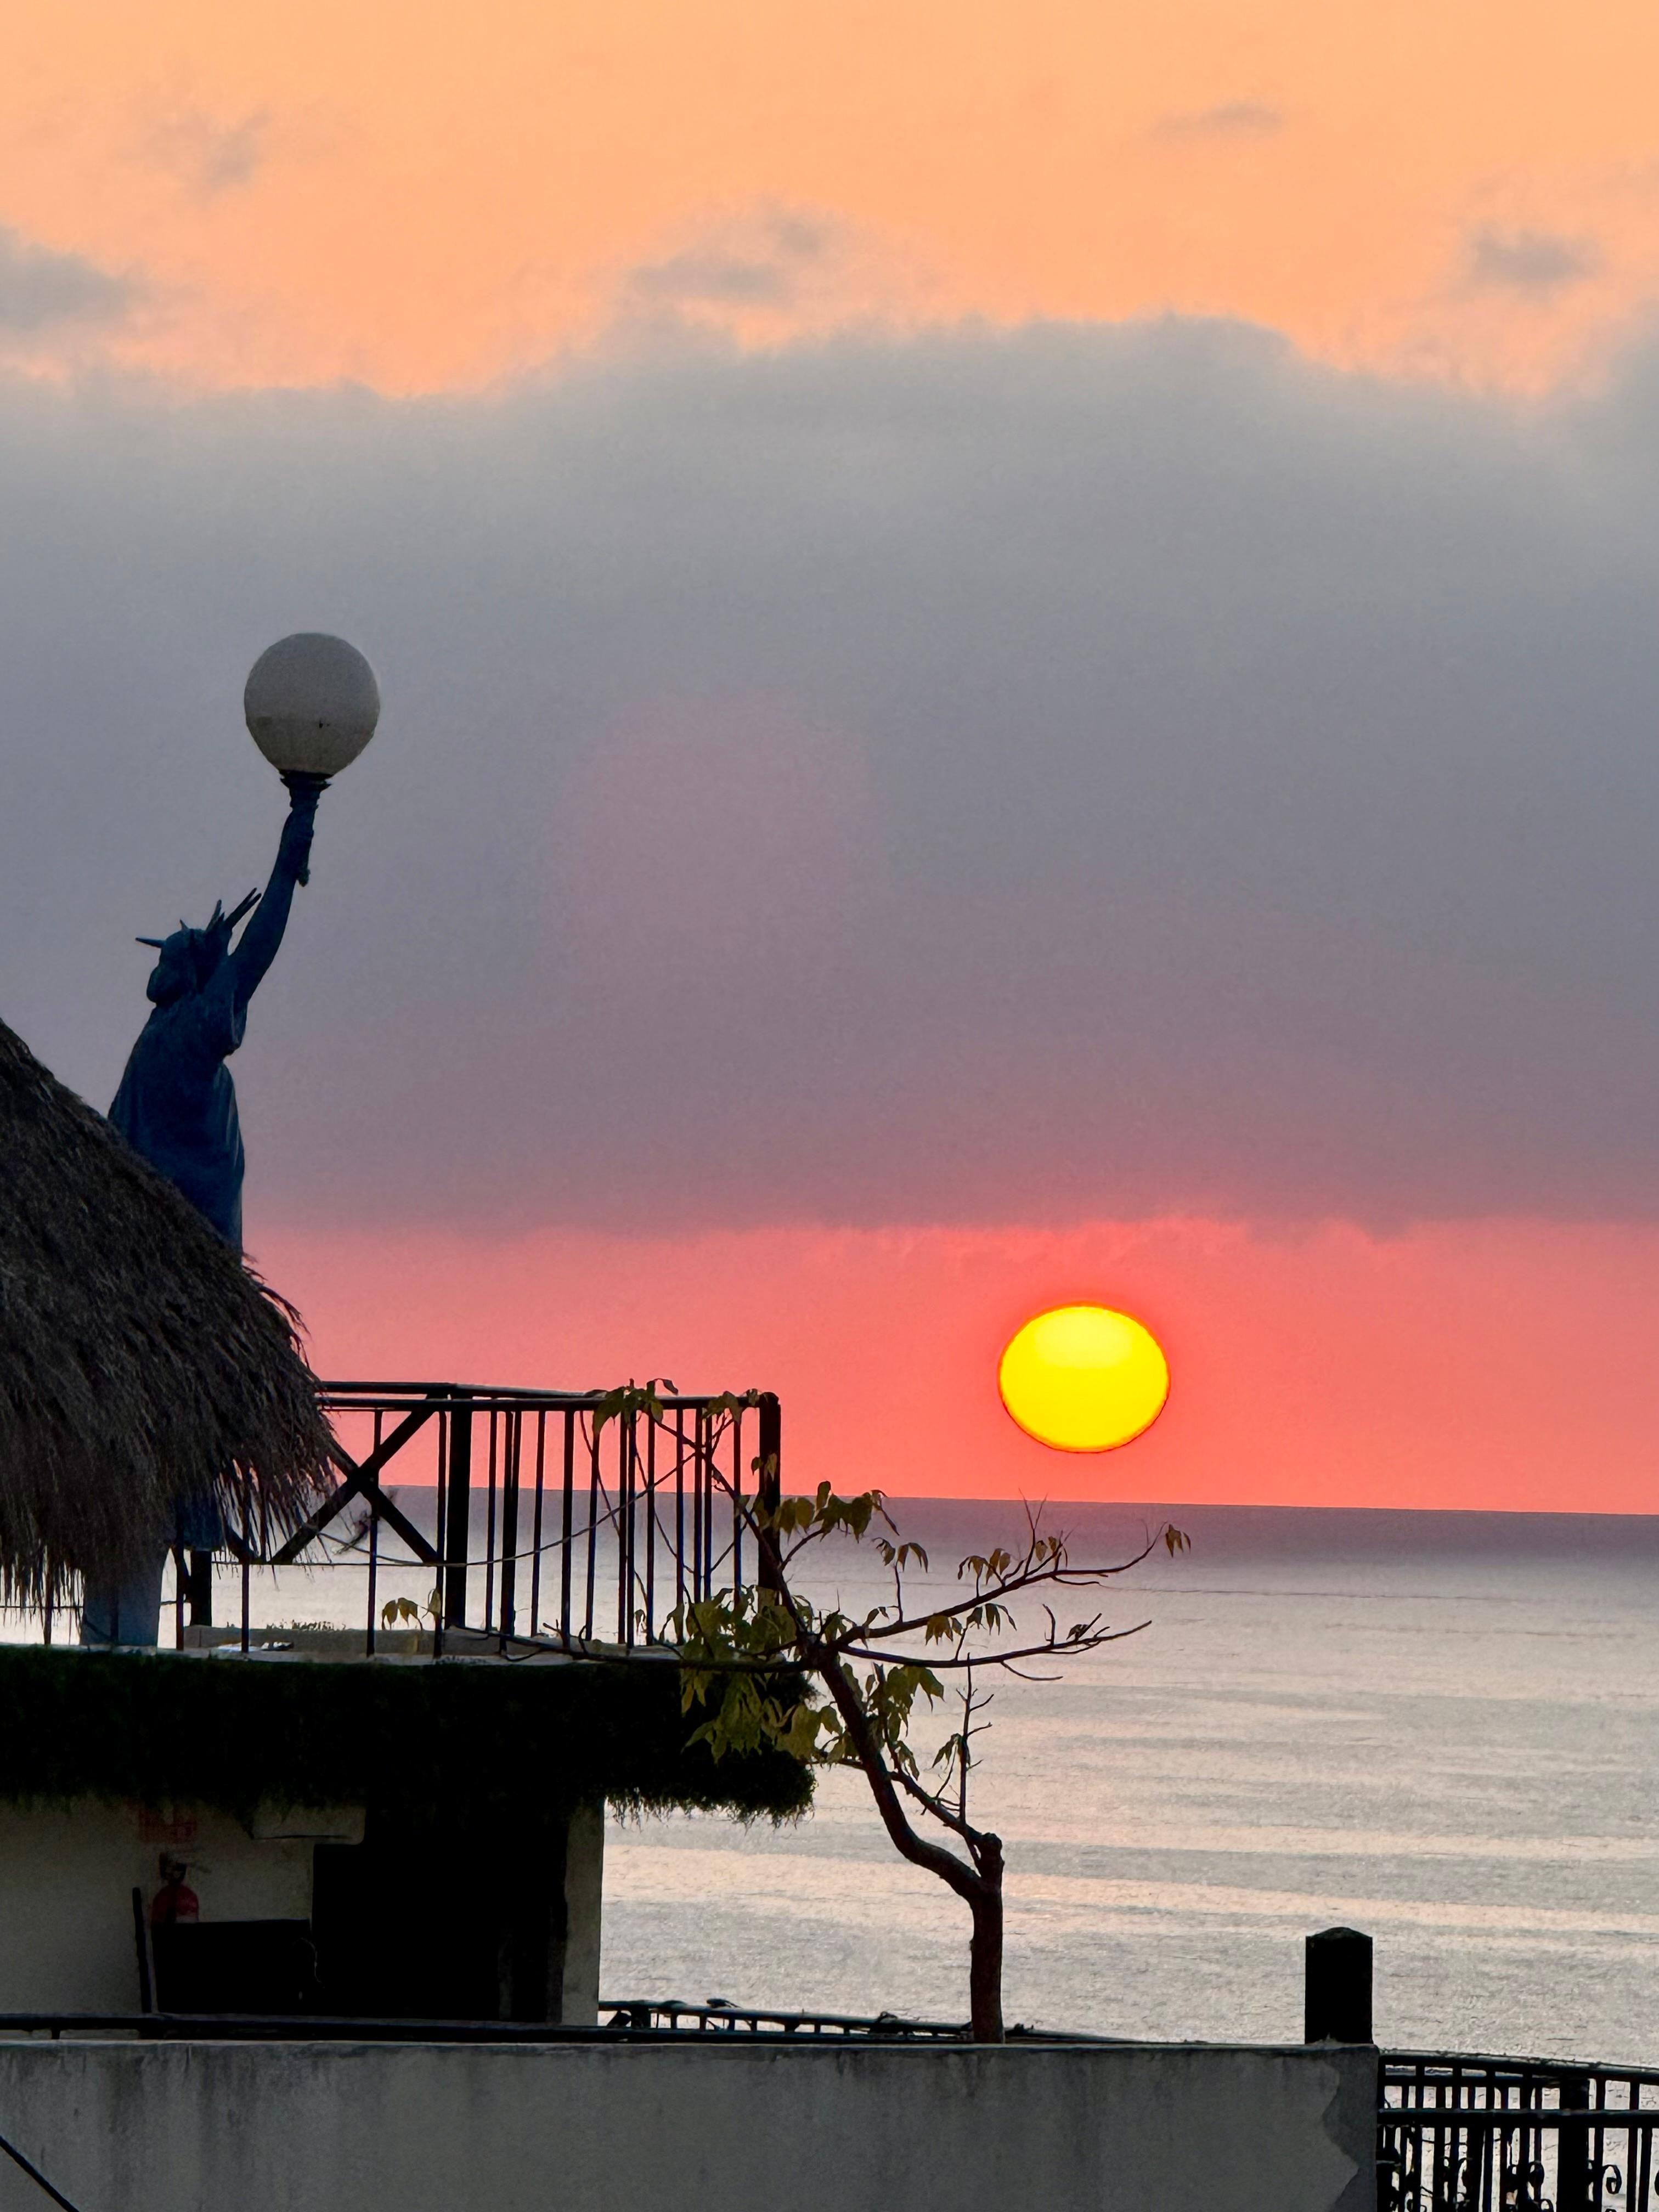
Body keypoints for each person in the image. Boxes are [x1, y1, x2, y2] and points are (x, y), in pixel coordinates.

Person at [84, 777, 323, 1644]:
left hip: (151, 1275)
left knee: (142, 1480)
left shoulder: (157, 1043)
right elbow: (257, 952)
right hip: (189, 1275)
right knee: (167, 1463)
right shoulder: (186, 1036)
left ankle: (116, 1646)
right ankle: (132, 1644)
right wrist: (293, 842)